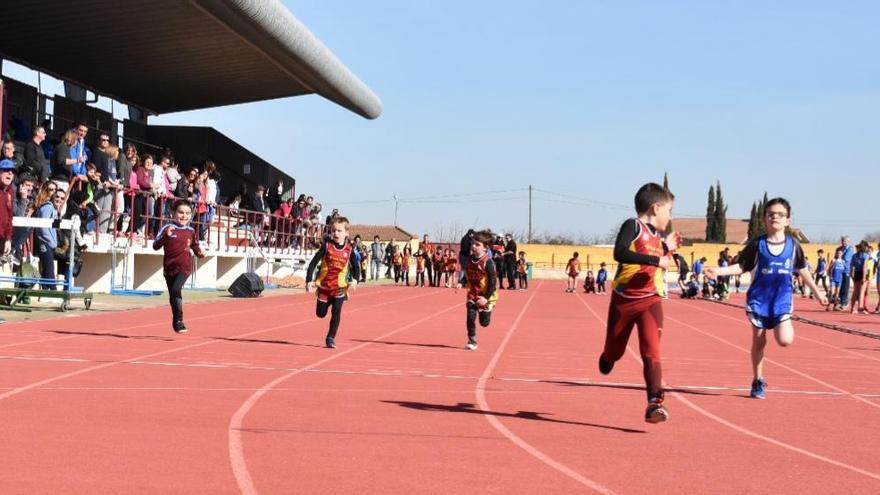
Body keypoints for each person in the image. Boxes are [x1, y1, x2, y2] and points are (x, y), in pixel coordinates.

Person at [705, 197, 827, 400]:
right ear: (765, 219)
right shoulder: (757, 244)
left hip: (782, 299)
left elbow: (802, 269)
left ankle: (782, 322)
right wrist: (718, 271)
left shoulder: (794, 245)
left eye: (780, 215)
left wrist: (817, 292)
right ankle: (758, 380)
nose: (775, 218)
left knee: (785, 340)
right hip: (759, 299)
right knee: (759, 340)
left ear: (788, 220)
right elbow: (742, 266)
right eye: (771, 214)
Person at [598, 183, 681, 423]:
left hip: (650, 300)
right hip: (623, 302)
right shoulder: (632, 226)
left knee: (651, 350)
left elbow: (658, 255)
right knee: (614, 351)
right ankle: (607, 356)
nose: (671, 216)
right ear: (656, 208)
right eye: (670, 211)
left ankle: (655, 402)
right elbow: (620, 253)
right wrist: (657, 259)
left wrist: (672, 253)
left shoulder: (658, 237)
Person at [152, 199, 206, 333]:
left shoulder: (191, 230)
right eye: (181, 212)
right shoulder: (167, 228)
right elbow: (155, 246)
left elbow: (194, 245)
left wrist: (200, 253)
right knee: (173, 295)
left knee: (177, 288)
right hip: (169, 268)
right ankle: (176, 320)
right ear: (173, 213)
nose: (184, 216)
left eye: (187, 213)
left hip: (185, 267)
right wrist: (166, 236)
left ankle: (179, 319)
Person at [305, 217, 360, 348]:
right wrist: (309, 280)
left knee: (337, 311)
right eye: (333, 230)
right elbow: (313, 263)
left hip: (339, 288)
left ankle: (330, 338)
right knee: (320, 314)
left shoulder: (349, 250)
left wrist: (355, 280)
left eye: (339, 231)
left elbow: (356, 266)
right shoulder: (327, 246)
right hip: (324, 287)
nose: (336, 233)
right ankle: (326, 301)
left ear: (346, 232)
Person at [456, 230, 498, 351]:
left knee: (484, 323)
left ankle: (487, 310)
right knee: (470, 316)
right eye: (472, 244)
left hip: (486, 295)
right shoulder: (469, 260)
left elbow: (493, 283)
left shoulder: (488, 262)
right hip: (472, 293)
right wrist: (461, 282)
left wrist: (485, 298)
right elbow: (467, 274)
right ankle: (472, 340)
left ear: (486, 248)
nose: (473, 246)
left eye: (477, 244)